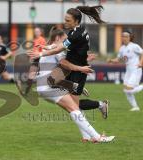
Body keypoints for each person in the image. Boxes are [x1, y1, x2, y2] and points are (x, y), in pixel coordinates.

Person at [30, 5, 115, 142]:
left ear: (76, 21)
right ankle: (97, 137)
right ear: (57, 38)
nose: (65, 23)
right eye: (63, 37)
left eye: (68, 20)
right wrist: (81, 68)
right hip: (48, 86)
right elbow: (63, 61)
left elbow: (57, 49)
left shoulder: (65, 40)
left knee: (74, 110)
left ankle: (89, 137)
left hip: (46, 86)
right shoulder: (74, 35)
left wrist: (42, 51)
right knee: (75, 109)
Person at [108, 31, 143, 111]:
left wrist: (141, 63)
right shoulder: (122, 48)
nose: (123, 38)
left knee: (128, 89)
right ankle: (135, 107)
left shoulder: (134, 46)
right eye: (122, 36)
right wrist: (112, 60)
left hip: (136, 70)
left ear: (130, 37)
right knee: (126, 90)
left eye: (125, 36)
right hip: (128, 71)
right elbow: (119, 59)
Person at [24, 27, 46, 95]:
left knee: (36, 75)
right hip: (36, 58)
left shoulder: (42, 39)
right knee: (32, 75)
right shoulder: (35, 40)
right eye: (35, 31)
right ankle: (26, 92)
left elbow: (43, 49)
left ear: (40, 32)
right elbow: (34, 50)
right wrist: (30, 55)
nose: (36, 32)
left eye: (37, 31)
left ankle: (26, 92)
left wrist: (35, 55)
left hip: (40, 58)